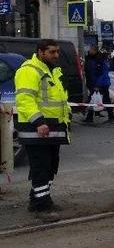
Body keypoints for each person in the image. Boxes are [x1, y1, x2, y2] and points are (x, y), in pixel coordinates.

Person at [14, 39, 72, 214]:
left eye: (57, 52)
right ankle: (41, 204)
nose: (56, 55)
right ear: (40, 52)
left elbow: (58, 99)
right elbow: (24, 100)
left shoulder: (51, 70)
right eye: (52, 52)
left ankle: (38, 197)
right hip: (37, 129)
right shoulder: (29, 71)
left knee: (50, 165)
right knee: (41, 166)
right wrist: (39, 122)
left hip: (53, 127)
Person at [84, 45, 114, 123]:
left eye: (90, 49)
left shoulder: (99, 60)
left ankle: (111, 117)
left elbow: (102, 74)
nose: (89, 51)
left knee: (102, 99)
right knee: (93, 98)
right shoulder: (92, 58)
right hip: (95, 83)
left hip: (100, 84)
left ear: (94, 50)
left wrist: (97, 85)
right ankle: (90, 117)